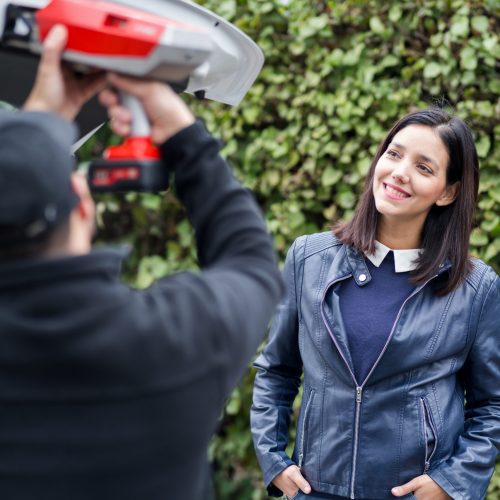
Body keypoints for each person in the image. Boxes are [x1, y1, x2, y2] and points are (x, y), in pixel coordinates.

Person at [0, 25, 283, 499]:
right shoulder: (174, 342)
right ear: (83, 205)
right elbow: (252, 261)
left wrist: (39, 126)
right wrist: (183, 135)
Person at [251, 107, 499, 499]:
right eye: (394, 154)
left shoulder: (475, 287)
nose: (400, 172)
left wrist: (451, 484)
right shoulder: (308, 259)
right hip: (316, 490)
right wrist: (275, 462)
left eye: (424, 167)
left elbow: (493, 406)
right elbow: (277, 370)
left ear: (448, 192)